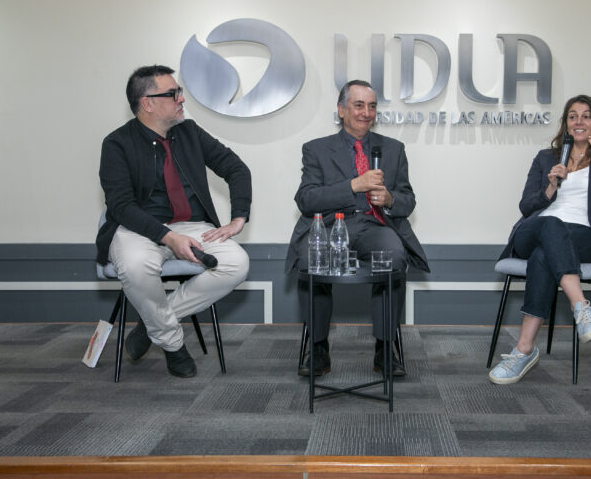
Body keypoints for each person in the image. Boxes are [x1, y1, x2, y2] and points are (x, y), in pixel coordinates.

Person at [96, 65, 251, 378]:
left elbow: (236, 168)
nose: (181, 99)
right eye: (173, 93)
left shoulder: (190, 132)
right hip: (138, 228)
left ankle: (153, 325)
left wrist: (238, 217)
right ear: (148, 103)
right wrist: (168, 238)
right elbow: (122, 206)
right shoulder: (117, 144)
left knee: (237, 263)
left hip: (192, 225)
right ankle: (172, 343)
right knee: (136, 266)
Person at [285, 80, 430, 377]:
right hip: (328, 225)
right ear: (341, 110)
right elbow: (306, 199)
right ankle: (319, 347)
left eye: (372, 106)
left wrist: (389, 198)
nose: (366, 113)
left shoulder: (393, 149)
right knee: (310, 258)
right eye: (359, 105)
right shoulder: (316, 149)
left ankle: (384, 347)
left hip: (374, 224)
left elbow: (408, 200)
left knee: (394, 255)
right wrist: (354, 185)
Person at [488, 94, 591, 384]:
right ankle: (580, 306)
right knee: (550, 225)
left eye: (585, 115)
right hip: (535, 230)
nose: (578, 121)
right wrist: (551, 185)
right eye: (572, 115)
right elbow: (527, 206)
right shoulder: (547, 158)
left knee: (544, 256)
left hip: (582, 238)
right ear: (565, 123)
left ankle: (524, 350)